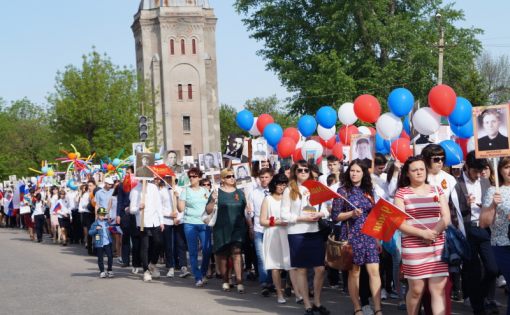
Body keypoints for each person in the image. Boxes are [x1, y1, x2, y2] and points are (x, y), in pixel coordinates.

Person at [394, 156, 450, 315]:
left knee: (437, 290)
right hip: (413, 246)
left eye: (421, 169)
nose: (419, 172)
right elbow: (400, 223)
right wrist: (422, 233)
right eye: (414, 170)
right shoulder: (401, 193)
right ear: (407, 174)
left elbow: (446, 217)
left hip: (437, 245)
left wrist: (433, 233)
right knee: (417, 290)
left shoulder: (437, 189)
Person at [332, 159, 383, 315]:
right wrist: (351, 213)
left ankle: (378, 308)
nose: (354, 174)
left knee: (374, 272)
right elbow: (335, 216)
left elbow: (374, 215)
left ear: (363, 173)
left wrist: (376, 238)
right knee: (354, 273)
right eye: (352, 170)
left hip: (369, 236)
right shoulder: (342, 191)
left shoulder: (369, 190)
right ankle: (357, 307)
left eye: (358, 171)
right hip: (351, 236)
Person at [281, 160, 330, 315]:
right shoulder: (289, 190)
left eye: (306, 170)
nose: (303, 173)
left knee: (320, 269)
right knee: (301, 269)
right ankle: (307, 305)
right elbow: (284, 214)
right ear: (295, 172)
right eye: (300, 170)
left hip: (314, 231)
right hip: (296, 232)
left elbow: (328, 210)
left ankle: (317, 301)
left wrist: (320, 214)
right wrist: (302, 218)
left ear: (310, 172)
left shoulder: (316, 188)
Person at [206, 168, 251, 293]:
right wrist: (213, 199)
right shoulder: (217, 192)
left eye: (233, 176)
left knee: (237, 254)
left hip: (237, 228)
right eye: (228, 176)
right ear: (223, 179)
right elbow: (208, 210)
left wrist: (249, 209)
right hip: (221, 229)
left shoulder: (240, 193)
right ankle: (225, 280)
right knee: (223, 256)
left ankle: (239, 282)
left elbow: (245, 210)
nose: (232, 178)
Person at [480, 156, 510, 315]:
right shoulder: (494, 190)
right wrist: (493, 205)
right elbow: (483, 223)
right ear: (500, 170)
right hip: (503, 245)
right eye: (507, 167)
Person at [177, 167, 212, 287]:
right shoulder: (185, 191)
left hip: (204, 223)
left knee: (207, 250)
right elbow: (180, 209)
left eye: (194, 176)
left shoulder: (205, 191)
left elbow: (210, 208)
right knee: (193, 252)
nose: (192, 178)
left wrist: (214, 200)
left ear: (199, 177)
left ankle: (202, 273)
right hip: (190, 223)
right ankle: (197, 277)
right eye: (190, 176)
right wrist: (178, 198)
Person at [260, 173, 291, 304]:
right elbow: (262, 221)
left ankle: (294, 290)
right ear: (274, 184)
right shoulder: (268, 199)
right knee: (275, 266)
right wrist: (277, 222)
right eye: (279, 184)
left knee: (291, 265)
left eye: (284, 184)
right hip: (273, 234)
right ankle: (279, 293)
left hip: (288, 233)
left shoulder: (290, 198)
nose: (281, 187)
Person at [129, 179, 164, 282]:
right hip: (143, 222)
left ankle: (152, 264)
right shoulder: (135, 190)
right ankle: (146, 270)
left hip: (155, 221)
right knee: (145, 246)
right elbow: (131, 209)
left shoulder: (153, 187)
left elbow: (158, 205)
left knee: (158, 243)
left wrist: (161, 220)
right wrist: (138, 208)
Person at [247, 168, 274, 296]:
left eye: (266, 177)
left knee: (272, 257)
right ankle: (264, 283)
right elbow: (249, 213)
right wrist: (250, 226)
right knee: (261, 257)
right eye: (262, 177)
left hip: (273, 229)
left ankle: (272, 281)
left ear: (271, 177)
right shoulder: (253, 193)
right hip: (258, 229)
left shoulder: (275, 192)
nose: (264, 180)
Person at [88, 207, 114, 278]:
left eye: (103, 215)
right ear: (98, 215)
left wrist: (112, 229)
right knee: (100, 258)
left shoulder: (106, 223)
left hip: (107, 242)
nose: (102, 216)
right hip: (99, 243)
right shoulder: (95, 224)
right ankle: (102, 271)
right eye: (101, 215)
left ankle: (109, 270)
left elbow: (111, 230)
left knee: (110, 256)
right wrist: (96, 229)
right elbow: (90, 232)